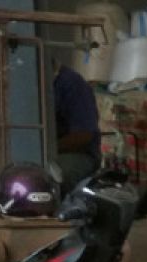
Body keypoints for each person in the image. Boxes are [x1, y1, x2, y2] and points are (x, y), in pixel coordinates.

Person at [51, 57, 100, 194]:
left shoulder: (71, 83)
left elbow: (83, 135)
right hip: (34, 152)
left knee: (55, 175)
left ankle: (63, 212)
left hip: (75, 153)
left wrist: (48, 149)